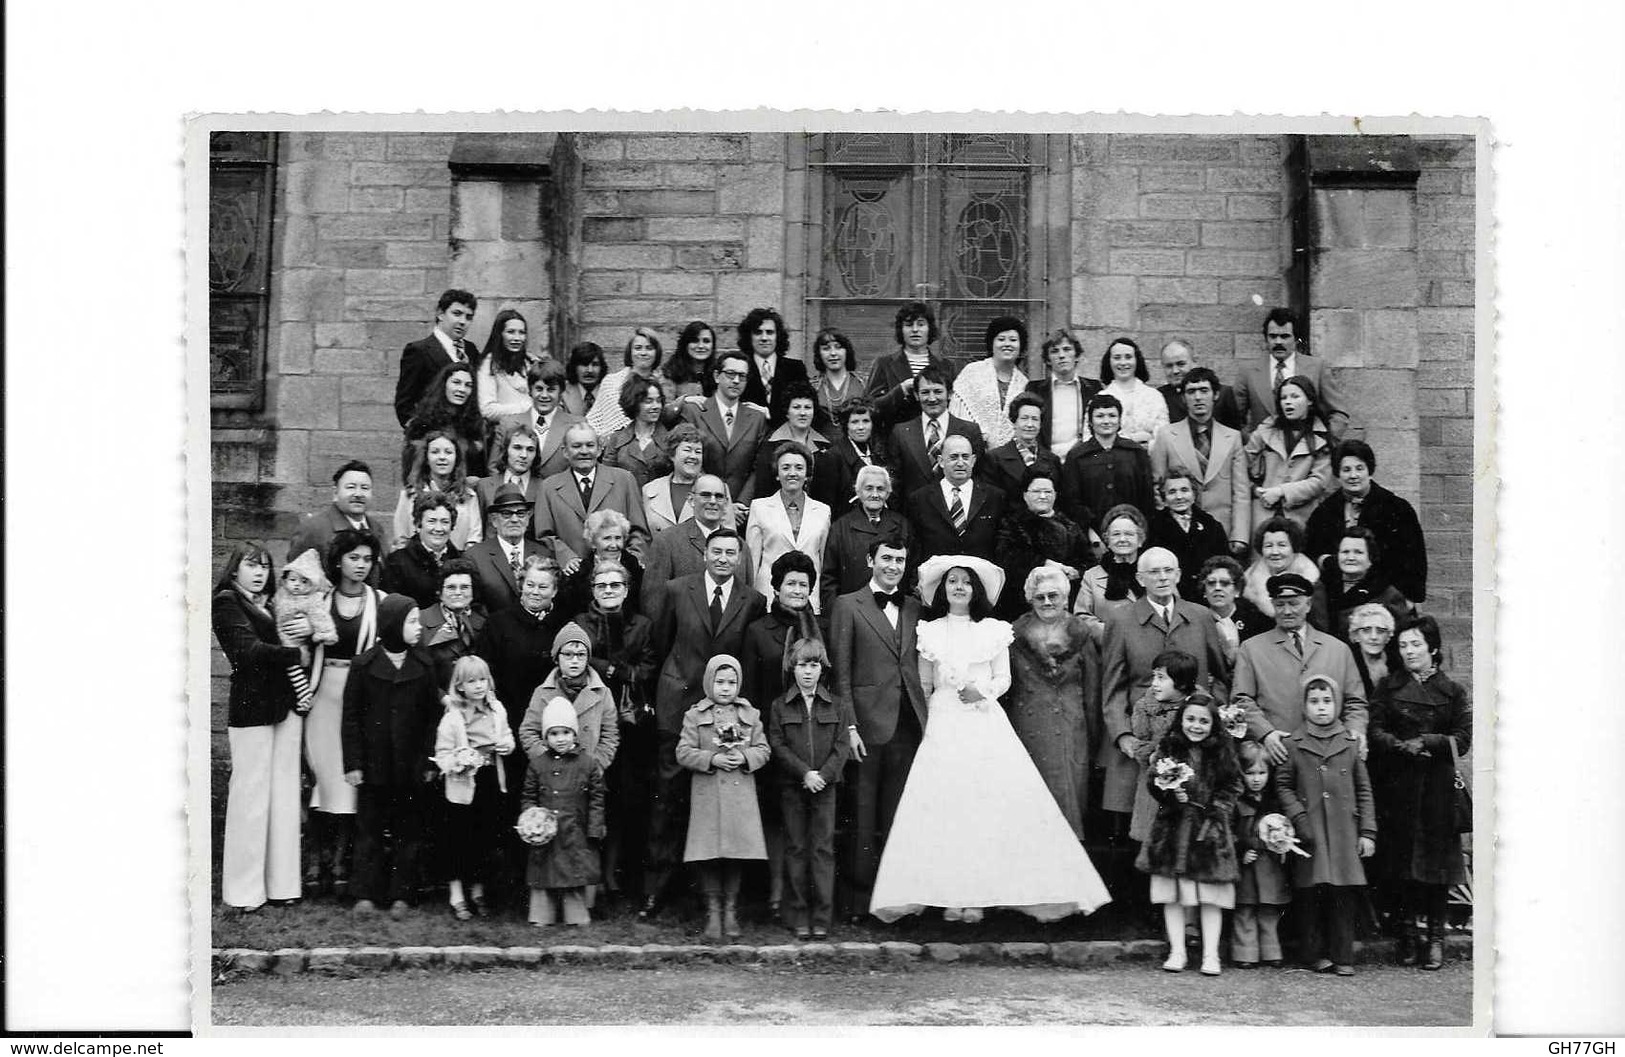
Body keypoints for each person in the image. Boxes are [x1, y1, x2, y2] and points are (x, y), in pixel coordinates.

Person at [868, 556, 1112, 924]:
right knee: (947, 807)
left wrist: (980, 692)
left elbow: (1004, 679)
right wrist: (940, 711)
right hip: (945, 722)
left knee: (987, 805)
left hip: (984, 720)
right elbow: (925, 683)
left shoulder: (994, 630)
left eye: (966, 582)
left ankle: (982, 896)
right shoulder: (930, 631)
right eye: (953, 582)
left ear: (976, 590)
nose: (959, 588)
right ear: (944, 588)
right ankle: (949, 894)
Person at [643, 529, 767, 919]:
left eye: (732, 552)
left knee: (717, 807)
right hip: (678, 705)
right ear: (705, 554)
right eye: (717, 551)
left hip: (725, 719)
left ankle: (711, 901)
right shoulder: (679, 590)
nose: (724, 558)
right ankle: (658, 892)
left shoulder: (753, 600)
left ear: (740, 558)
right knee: (669, 801)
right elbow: (662, 642)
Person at [1099, 548, 1233, 832]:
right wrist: (1124, 736)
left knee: (1192, 822)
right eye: (1154, 572)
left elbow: (1221, 675)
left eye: (1168, 571)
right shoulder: (1122, 621)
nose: (1162, 578)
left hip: (1196, 738)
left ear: (1179, 575)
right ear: (1140, 578)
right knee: (1144, 826)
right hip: (1142, 739)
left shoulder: (1201, 617)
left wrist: (1211, 710)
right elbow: (1113, 688)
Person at [1367, 614, 1471, 971]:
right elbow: (1374, 729)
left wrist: (1429, 741)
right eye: (1403, 645)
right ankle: (1408, 936)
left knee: (1438, 866)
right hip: (1399, 786)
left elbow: (1463, 738)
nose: (1409, 651)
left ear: (1433, 648)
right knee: (1403, 864)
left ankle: (1437, 940)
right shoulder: (1388, 687)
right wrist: (1399, 746)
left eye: (1416, 644)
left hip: (1438, 788)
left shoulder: (1452, 691)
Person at [828, 536, 924, 919]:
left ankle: (893, 900)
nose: (892, 566)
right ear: (871, 560)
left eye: (900, 560)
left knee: (897, 815)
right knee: (863, 816)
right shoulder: (847, 605)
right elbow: (841, 674)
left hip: (907, 723)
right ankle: (857, 901)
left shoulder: (916, 608)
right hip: (866, 727)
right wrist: (849, 727)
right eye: (886, 558)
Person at [214, 543, 305, 912]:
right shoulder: (226, 602)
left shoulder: (265, 602)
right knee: (249, 800)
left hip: (283, 706)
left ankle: (283, 886)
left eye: (265, 566)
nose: (259, 572)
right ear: (235, 569)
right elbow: (246, 651)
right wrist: (294, 652)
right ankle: (243, 892)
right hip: (251, 709)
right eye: (251, 565)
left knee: (282, 797)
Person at [475, 556, 572, 892]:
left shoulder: (562, 627)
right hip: (510, 730)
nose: (534, 591)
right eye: (529, 584)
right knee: (511, 803)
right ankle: (508, 885)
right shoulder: (498, 624)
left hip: (552, 732)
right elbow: (485, 680)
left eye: (543, 586)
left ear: (555, 591)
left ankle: (545, 884)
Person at [299, 528, 386, 897]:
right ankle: (314, 860)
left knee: (351, 778)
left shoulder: (380, 602)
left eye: (367, 559)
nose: (361, 565)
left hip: (360, 698)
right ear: (338, 561)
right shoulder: (320, 599)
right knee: (321, 777)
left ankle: (341, 862)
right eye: (354, 558)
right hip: (323, 695)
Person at [740, 551, 827, 916]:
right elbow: (748, 685)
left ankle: (806, 895)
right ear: (776, 588)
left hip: (813, 734)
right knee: (777, 815)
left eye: (803, 585)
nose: (796, 590)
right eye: (790, 583)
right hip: (774, 734)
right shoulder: (759, 631)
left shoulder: (818, 627)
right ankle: (777, 893)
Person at [341, 595, 439, 919]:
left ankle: (402, 894)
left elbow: (430, 720)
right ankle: (365, 893)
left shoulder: (424, 666)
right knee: (368, 828)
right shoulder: (363, 665)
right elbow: (351, 717)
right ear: (392, 625)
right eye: (411, 621)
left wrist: (427, 760)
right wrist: (353, 763)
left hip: (410, 766)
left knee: (407, 829)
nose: (418, 627)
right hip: (373, 765)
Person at [1275, 674, 1377, 975]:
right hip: (1312, 833)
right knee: (1311, 896)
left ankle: (1343, 955)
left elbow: (1364, 790)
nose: (1321, 708)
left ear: (1337, 704)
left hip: (1344, 834)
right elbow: (1283, 786)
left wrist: (1368, 832)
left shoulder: (1349, 742)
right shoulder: (1293, 743)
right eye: (1314, 701)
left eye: (1327, 701)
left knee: (1343, 897)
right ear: (1304, 706)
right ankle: (1314, 953)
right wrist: (1299, 817)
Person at [1135, 696, 1242, 975]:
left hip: (1207, 830)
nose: (1196, 726)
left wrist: (1218, 809)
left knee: (1210, 895)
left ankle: (1210, 955)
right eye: (1190, 719)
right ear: (1181, 720)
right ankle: (1177, 951)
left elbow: (1232, 784)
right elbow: (1153, 779)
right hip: (1173, 827)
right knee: (1172, 894)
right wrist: (1168, 792)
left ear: (1213, 724)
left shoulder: (1221, 750)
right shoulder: (1169, 747)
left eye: (1204, 721)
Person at [572, 560, 657, 903]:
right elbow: (578, 660)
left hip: (630, 721)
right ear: (592, 589)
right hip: (591, 720)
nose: (609, 591)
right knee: (594, 797)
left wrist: (611, 668)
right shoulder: (579, 623)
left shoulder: (642, 625)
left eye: (615, 585)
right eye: (602, 585)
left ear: (626, 589)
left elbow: (648, 669)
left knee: (625, 799)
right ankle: (592, 877)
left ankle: (615, 875)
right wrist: (612, 668)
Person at [678, 654, 772, 940]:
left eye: (731, 682)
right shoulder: (695, 715)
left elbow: (764, 750)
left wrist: (744, 756)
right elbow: (683, 752)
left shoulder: (750, 714)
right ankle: (713, 912)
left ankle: (730, 912)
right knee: (709, 854)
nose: (726, 688)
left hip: (738, 795)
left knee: (735, 854)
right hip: (708, 794)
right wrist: (711, 759)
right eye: (720, 682)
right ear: (709, 682)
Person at [1233, 573, 1369, 765]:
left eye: (1294, 603)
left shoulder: (1338, 649)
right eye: (1280, 604)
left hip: (1329, 756)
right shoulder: (1252, 648)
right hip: (1278, 754)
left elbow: (1355, 701)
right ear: (1272, 605)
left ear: (1309, 604)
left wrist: (1356, 730)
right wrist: (1266, 734)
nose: (1287, 611)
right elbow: (1241, 699)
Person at [1006, 565, 1099, 840]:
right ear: (1030, 599)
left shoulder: (1081, 633)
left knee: (1069, 796)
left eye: (1053, 596)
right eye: (1040, 597)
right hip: (1028, 725)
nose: (1047, 602)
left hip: (1072, 725)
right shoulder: (1014, 635)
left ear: (1065, 597)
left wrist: (1093, 732)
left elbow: (1093, 688)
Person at [767, 637, 850, 940]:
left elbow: (842, 747)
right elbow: (777, 744)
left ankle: (822, 917)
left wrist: (823, 776)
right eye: (802, 665)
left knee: (822, 849)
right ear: (793, 667)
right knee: (796, 847)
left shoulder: (836, 704)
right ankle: (799, 914)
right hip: (794, 785)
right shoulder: (780, 705)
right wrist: (804, 773)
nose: (807, 672)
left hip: (826, 787)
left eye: (813, 665)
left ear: (821, 669)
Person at [430, 655, 514, 921]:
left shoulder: (497, 709)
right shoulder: (453, 717)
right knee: (458, 839)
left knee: (484, 838)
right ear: (460, 686)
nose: (478, 686)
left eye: (483, 680)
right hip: (463, 784)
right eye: (471, 681)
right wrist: (458, 761)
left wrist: (507, 745)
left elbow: (507, 735)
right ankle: (457, 895)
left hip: (489, 779)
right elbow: (442, 754)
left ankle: (478, 891)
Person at [1304, 439, 1429, 604]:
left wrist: (1406, 598)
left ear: (1369, 471)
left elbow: (1414, 559)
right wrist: (1327, 561)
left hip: (1384, 597)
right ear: (1338, 474)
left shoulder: (1397, 508)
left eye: (1359, 468)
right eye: (1346, 470)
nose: (1353, 475)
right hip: (1337, 598)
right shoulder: (1325, 511)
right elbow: (1310, 552)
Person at [521, 698, 606, 927]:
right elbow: (528, 796)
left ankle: (576, 916)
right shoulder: (537, 765)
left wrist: (594, 828)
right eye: (554, 733)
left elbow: (597, 799)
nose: (560, 739)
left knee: (574, 873)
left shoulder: (587, 764)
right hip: (545, 833)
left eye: (566, 732)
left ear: (574, 734)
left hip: (574, 830)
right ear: (546, 737)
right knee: (543, 875)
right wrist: (531, 820)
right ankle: (542, 915)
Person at [1150, 367, 1251, 559]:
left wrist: (1240, 536)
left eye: (1204, 391)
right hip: (1179, 533)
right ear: (1183, 398)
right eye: (1191, 392)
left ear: (1216, 395)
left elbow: (1241, 492)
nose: (1198, 397)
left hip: (1221, 531)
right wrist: (1167, 527)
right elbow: (1157, 485)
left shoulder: (1232, 438)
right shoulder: (1166, 436)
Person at [534, 423, 647, 575]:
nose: (584, 451)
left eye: (590, 445)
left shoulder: (624, 480)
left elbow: (639, 531)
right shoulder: (548, 487)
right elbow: (543, 535)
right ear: (565, 451)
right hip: (571, 577)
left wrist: (630, 561)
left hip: (618, 575)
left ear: (600, 449)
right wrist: (565, 557)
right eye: (576, 446)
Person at [1126, 651, 1210, 848]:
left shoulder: (1199, 709)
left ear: (1181, 683)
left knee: (1188, 841)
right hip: (1155, 788)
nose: (1154, 683)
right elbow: (1141, 740)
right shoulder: (1146, 707)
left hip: (1192, 788)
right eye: (1153, 676)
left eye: (1161, 678)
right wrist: (1152, 755)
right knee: (1155, 841)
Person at [677, 351, 770, 523]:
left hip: (743, 513)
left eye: (742, 376)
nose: (736, 381)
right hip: (701, 506)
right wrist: (724, 504)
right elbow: (690, 460)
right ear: (716, 376)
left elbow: (759, 467)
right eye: (730, 374)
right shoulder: (695, 411)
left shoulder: (757, 418)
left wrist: (741, 504)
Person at [639, 473, 750, 614]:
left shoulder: (740, 547)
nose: (713, 501)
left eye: (719, 496)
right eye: (705, 495)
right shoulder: (667, 542)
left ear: (726, 502)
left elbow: (747, 602)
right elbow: (653, 603)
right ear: (691, 500)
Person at [993, 464, 1092, 618]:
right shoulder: (1012, 523)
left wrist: (1075, 572)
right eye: (1036, 491)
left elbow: (1088, 561)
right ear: (1025, 495)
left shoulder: (1070, 526)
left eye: (1048, 492)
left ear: (1055, 495)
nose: (1043, 496)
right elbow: (1008, 558)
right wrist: (1048, 564)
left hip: (1064, 603)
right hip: (1022, 604)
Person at [1235, 307, 1349, 438]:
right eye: (1273, 336)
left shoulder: (1317, 368)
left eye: (1285, 336)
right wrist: (1250, 442)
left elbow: (1339, 413)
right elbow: (1234, 418)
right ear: (1266, 339)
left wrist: (1324, 443)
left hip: (1307, 452)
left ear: (1296, 339)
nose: (1278, 342)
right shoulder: (1248, 371)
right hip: (1263, 453)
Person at [746, 442, 832, 614]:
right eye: (786, 467)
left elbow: (822, 561)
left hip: (808, 597)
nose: (792, 473)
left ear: (807, 474)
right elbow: (752, 562)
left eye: (799, 468)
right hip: (769, 596)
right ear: (777, 474)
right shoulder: (759, 507)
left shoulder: (823, 511)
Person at [1244, 375, 1334, 529]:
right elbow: (1240, 466)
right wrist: (1255, 490)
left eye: (1295, 396)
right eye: (1283, 398)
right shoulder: (1265, 431)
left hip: (1301, 517)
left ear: (1310, 401)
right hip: (1262, 513)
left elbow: (1319, 482)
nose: (1288, 402)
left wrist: (1281, 491)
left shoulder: (1321, 437)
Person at [820, 466, 913, 615]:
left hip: (893, 609)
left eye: (880, 489)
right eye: (869, 488)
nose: (875, 495)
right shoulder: (841, 527)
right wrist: (837, 613)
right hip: (853, 612)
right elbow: (829, 578)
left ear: (888, 493)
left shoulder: (902, 525)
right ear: (858, 492)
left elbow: (912, 571)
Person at [1231, 740, 1291, 968]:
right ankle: (1245, 953)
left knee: (1269, 909)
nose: (1256, 779)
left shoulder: (1274, 802)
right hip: (1248, 865)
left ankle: (1271, 950)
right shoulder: (1236, 802)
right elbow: (1229, 833)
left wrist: (1282, 845)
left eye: (1262, 772)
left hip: (1269, 864)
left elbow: (1285, 830)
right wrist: (1241, 851)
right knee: (1245, 909)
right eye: (1250, 773)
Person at [888, 366, 985, 502]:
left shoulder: (970, 431)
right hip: (914, 516)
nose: (932, 398)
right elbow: (895, 482)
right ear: (916, 395)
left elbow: (978, 477)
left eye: (938, 391)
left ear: (950, 394)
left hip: (957, 513)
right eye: (925, 392)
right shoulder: (901, 433)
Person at [288, 461, 393, 583]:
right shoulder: (313, 529)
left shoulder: (376, 528)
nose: (358, 494)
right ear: (335, 493)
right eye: (351, 487)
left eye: (364, 488)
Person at [1060, 394, 1155, 527]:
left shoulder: (1136, 452)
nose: (1106, 421)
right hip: (1090, 533)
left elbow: (1147, 498)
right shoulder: (1077, 456)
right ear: (1091, 422)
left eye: (1112, 415)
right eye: (1100, 416)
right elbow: (1071, 502)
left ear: (1120, 420)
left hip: (1132, 529)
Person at [907, 434, 1004, 561]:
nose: (960, 463)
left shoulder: (995, 497)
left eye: (965, 457)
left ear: (973, 460)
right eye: (953, 457)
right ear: (941, 461)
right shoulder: (920, 499)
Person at [1310, 526, 1414, 640]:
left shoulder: (1387, 594)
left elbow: (1405, 633)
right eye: (1345, 552)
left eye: (1358, 552)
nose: (1350, 557)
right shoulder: (1321, 587)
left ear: (1370, 558)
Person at [395, 289, 478, 428]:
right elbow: (405, 404)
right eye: (456, 314)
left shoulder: (471, 350)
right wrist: (424, 434)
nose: (463, 321)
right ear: (440, 314)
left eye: (468, 317)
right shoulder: (419, 351)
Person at [865, 301, 955, 428]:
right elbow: (869, 407)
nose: (915, 330)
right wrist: (901, 390)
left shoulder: (946, 366)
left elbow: (954, 406)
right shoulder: (884, 364)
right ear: (901, 330)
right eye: (908, 325)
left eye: (921, 324)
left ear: (929, 329)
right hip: (896, 439)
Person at [1147, 467, 1231, 604]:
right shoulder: (1155, 528)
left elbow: (1224, 564)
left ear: (1193, 494)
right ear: (1164, 497)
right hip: (1172, 597)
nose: (1179, 497)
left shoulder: (1211, 525)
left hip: (1209, 596)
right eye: (1172, 492)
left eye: (1184, 490)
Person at [492, 359, 582, 483]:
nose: (544, 395)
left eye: (551, 390)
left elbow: (581, 469)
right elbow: (494, 468)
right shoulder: (508, 424)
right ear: (530, 390)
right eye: (539, 389)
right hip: (517, 497)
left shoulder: (576, 426)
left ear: (561, 392)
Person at [1072, 504, 1151, 644]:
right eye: (1116, 534)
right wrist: (1116, 637)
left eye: (1129, 534)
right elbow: (1081, 618)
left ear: (1140, 540)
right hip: (1109, 650)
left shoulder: (1154, 570)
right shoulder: (1092, 576)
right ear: (1107, 541)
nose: (1122, 539)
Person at [463, 484, 547, 615]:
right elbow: (473, 607)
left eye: (520, 513)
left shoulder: (544, 554)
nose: (514, 519)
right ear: (494, 520)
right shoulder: (475, 557)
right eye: (506, 514)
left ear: (528, 519)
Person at [392, 432, 483, 553]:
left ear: (456, 458)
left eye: (448, 452)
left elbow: (474, 540)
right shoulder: (409, 495)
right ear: (426, 458)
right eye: (435, 452)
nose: (442, 457)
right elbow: (400, 539)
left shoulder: (469, 496)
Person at [949, 315, 1031, 447]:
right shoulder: (972, 372)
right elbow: (957, 413)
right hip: (972, 451)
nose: (1007, 344)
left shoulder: (1024, 383)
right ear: (991, 343)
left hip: (1010, 457)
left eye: (1013, 340)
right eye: (1001, 339)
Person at [555, 509, 645, 621]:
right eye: (607, 538)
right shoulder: (577, 574)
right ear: (593, 542)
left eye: (618, 538)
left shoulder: (637, 571)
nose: (613, 545)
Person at [403, 360, 487, 478]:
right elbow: (411, 466)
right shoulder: (422, 421)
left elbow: (480, 466)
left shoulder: (476, 423)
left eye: (468, 385)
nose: (462, 389)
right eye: (456, 382)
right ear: (444, 384)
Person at [1025, 329, 1102, 458]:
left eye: (1067, 349)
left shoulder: (1094, 389)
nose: (1061, 355)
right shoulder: (1034, 390)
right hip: (1047, 463)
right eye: (1055, 351)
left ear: (1076, 355)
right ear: (1048, 360)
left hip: (1084, 462)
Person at [587, 327, 675, 439]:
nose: (643, 353)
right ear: (630, 352)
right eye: (638, 348)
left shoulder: (664, 385)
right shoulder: (611, 382)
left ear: (656, 352)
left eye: (649, 348)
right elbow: (596, 422)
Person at [976, 392, 1062, 506]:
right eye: (1024, 418)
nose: (1030, 424)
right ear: (1014, 421)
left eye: (1035, 419)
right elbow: (990, 501)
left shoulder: (1052, 460)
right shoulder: (994, 459)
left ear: (1041, 424)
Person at [381, 491, 465, 607]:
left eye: (445, 522)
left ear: (452, 526)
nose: (439, 528)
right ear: (418, 525)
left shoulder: (462, 560)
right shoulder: (397, 562)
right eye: (431, 521)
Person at [811, 396, 894, 513]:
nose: (861, 427)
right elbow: (824, 505)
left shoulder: (877, 457)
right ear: (846, 425)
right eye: (854, 422)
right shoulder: (832, 458)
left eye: (865, 421)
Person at [751, 383, 832, 497]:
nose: (803, 413)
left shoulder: (825, 446)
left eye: (808, 407)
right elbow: (763, 488)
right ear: (787, 412)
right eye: (796, 407)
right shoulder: (770, 444)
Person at [417, 558, 485, 690]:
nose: (458, 593)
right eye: (451, 587)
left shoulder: (483, 623)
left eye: (464, 587)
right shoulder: (421, 620)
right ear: (440, 592)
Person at [738, 307, 812, 428]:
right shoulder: (740, 369)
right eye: (758, 332)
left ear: (778, 336)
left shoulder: (795, 369)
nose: (764, 338)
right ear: (749, 337)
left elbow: (806, 406)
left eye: (770, 332)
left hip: (787, 438)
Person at [1242, 516, 1321, 620]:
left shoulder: (1313, 583)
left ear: (1294, 548)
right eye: (1268, 546)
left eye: (1282, 545)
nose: (1275, 552)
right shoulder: (1249, 585)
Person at [601, 375, 672, 490]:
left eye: (659, 401)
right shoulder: (617, 440)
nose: (656, 406)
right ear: (634, 403)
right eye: (648, 401)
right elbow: (606, 480)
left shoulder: (670, 439)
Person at [475, 423, 543, 541]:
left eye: (530, 449)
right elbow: (478, 530)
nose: (523, 455)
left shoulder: (544, 487)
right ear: (505, 450)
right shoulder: (485, 486)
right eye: (517, 448)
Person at [1197, 555, 1270, 664]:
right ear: (1204, 591)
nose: (1217, 588)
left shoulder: (1254, 619)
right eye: (1211, 583)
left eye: (1225, 583)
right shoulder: (1197, 619)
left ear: (1237, 590)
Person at [1098, 337, 1170, 447]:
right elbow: (1093, 439)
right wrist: (1135, 439)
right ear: (1109, 362)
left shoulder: (1154, 396)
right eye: (1117, 358)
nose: (1123, 362)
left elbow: (1164, 437)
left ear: (1137, 360)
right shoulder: (1100, 398)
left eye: (1128, 357)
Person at [474, 308, 537, 433]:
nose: (517, 338)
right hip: (504, 433)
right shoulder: (489, 364)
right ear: (500, 334)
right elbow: (487, 410)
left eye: (522, 333)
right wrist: (527, 407)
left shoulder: (529, 363)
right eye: (511, 332)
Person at [1156, 339, 1242, 428]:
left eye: (1181, 364)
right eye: (1169, 366)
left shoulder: (1223, 393)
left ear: (1195, 361)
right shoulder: (1158, 396)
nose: (1175, 371)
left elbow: (1235, 432)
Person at [642, 425, 708, 537]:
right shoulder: (649, 490)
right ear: (672, 455)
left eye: (698, 452)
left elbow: (728, 536)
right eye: (687, 450)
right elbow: (643, 537)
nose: (693, 456)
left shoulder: (716, 489)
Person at [1346, 601, 1400, 699]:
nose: (1374, 637)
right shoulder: (1346, 663)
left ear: (1388, 636)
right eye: (1366, 630)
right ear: (1355, 635)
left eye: (1380, 631)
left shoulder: (1398, 664)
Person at [809, 328, 861, 429]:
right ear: (819, 353)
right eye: (826, 348)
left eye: (838, 347)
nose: (833, 353)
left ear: (847, 351)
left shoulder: (863, 383)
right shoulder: (812, 387)